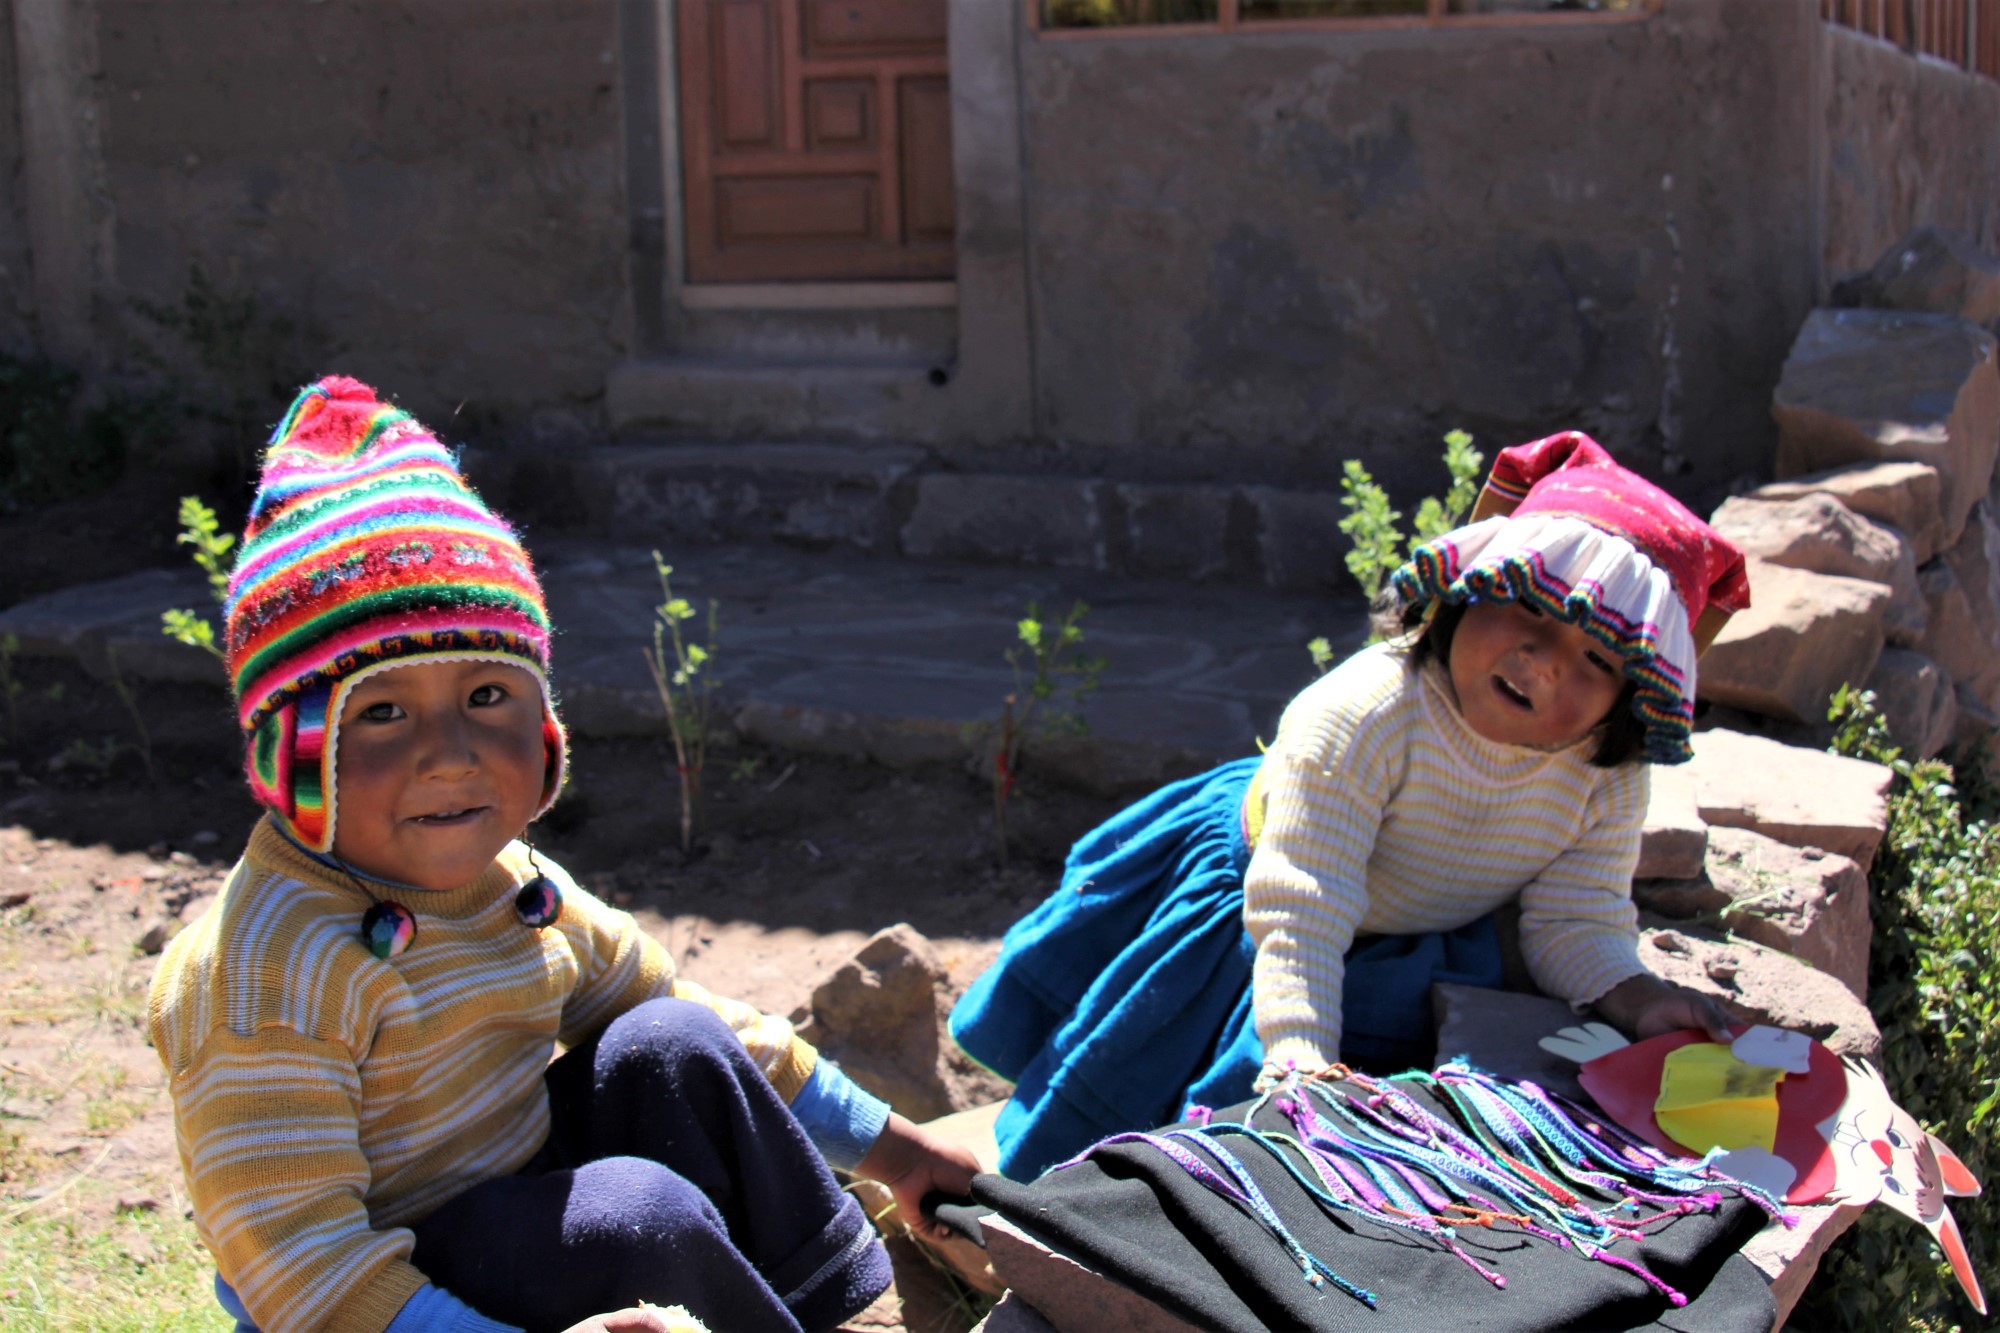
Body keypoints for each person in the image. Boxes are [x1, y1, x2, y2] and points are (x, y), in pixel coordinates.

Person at [148, 376, 979, 1333]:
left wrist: (897, 1151)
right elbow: (298, 1267)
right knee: (632, 1216)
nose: (451, 754)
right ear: (291, 754)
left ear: (542, 724)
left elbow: (673, 1008)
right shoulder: (267, 975)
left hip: (512, 1220)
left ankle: (827, 1312)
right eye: (381, 712)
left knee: (676, 1047)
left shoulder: (514, 889)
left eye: (487, 697)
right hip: (381, 1303)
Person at [950, 431, 1752, 1180]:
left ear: (1634, 692)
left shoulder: (1604, 773)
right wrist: (1300, 1058)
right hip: (1269, 896)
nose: (1541, 664)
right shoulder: (1370, 713)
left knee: (1382, 1125)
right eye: (1526, 610)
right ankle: (1043, 1215)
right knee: (1156, 1070)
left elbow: (1575, 915)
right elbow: (1305, 906)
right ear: (1466, 591)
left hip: (1411, 923)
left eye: (1594, 658)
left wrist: (1636, 995)